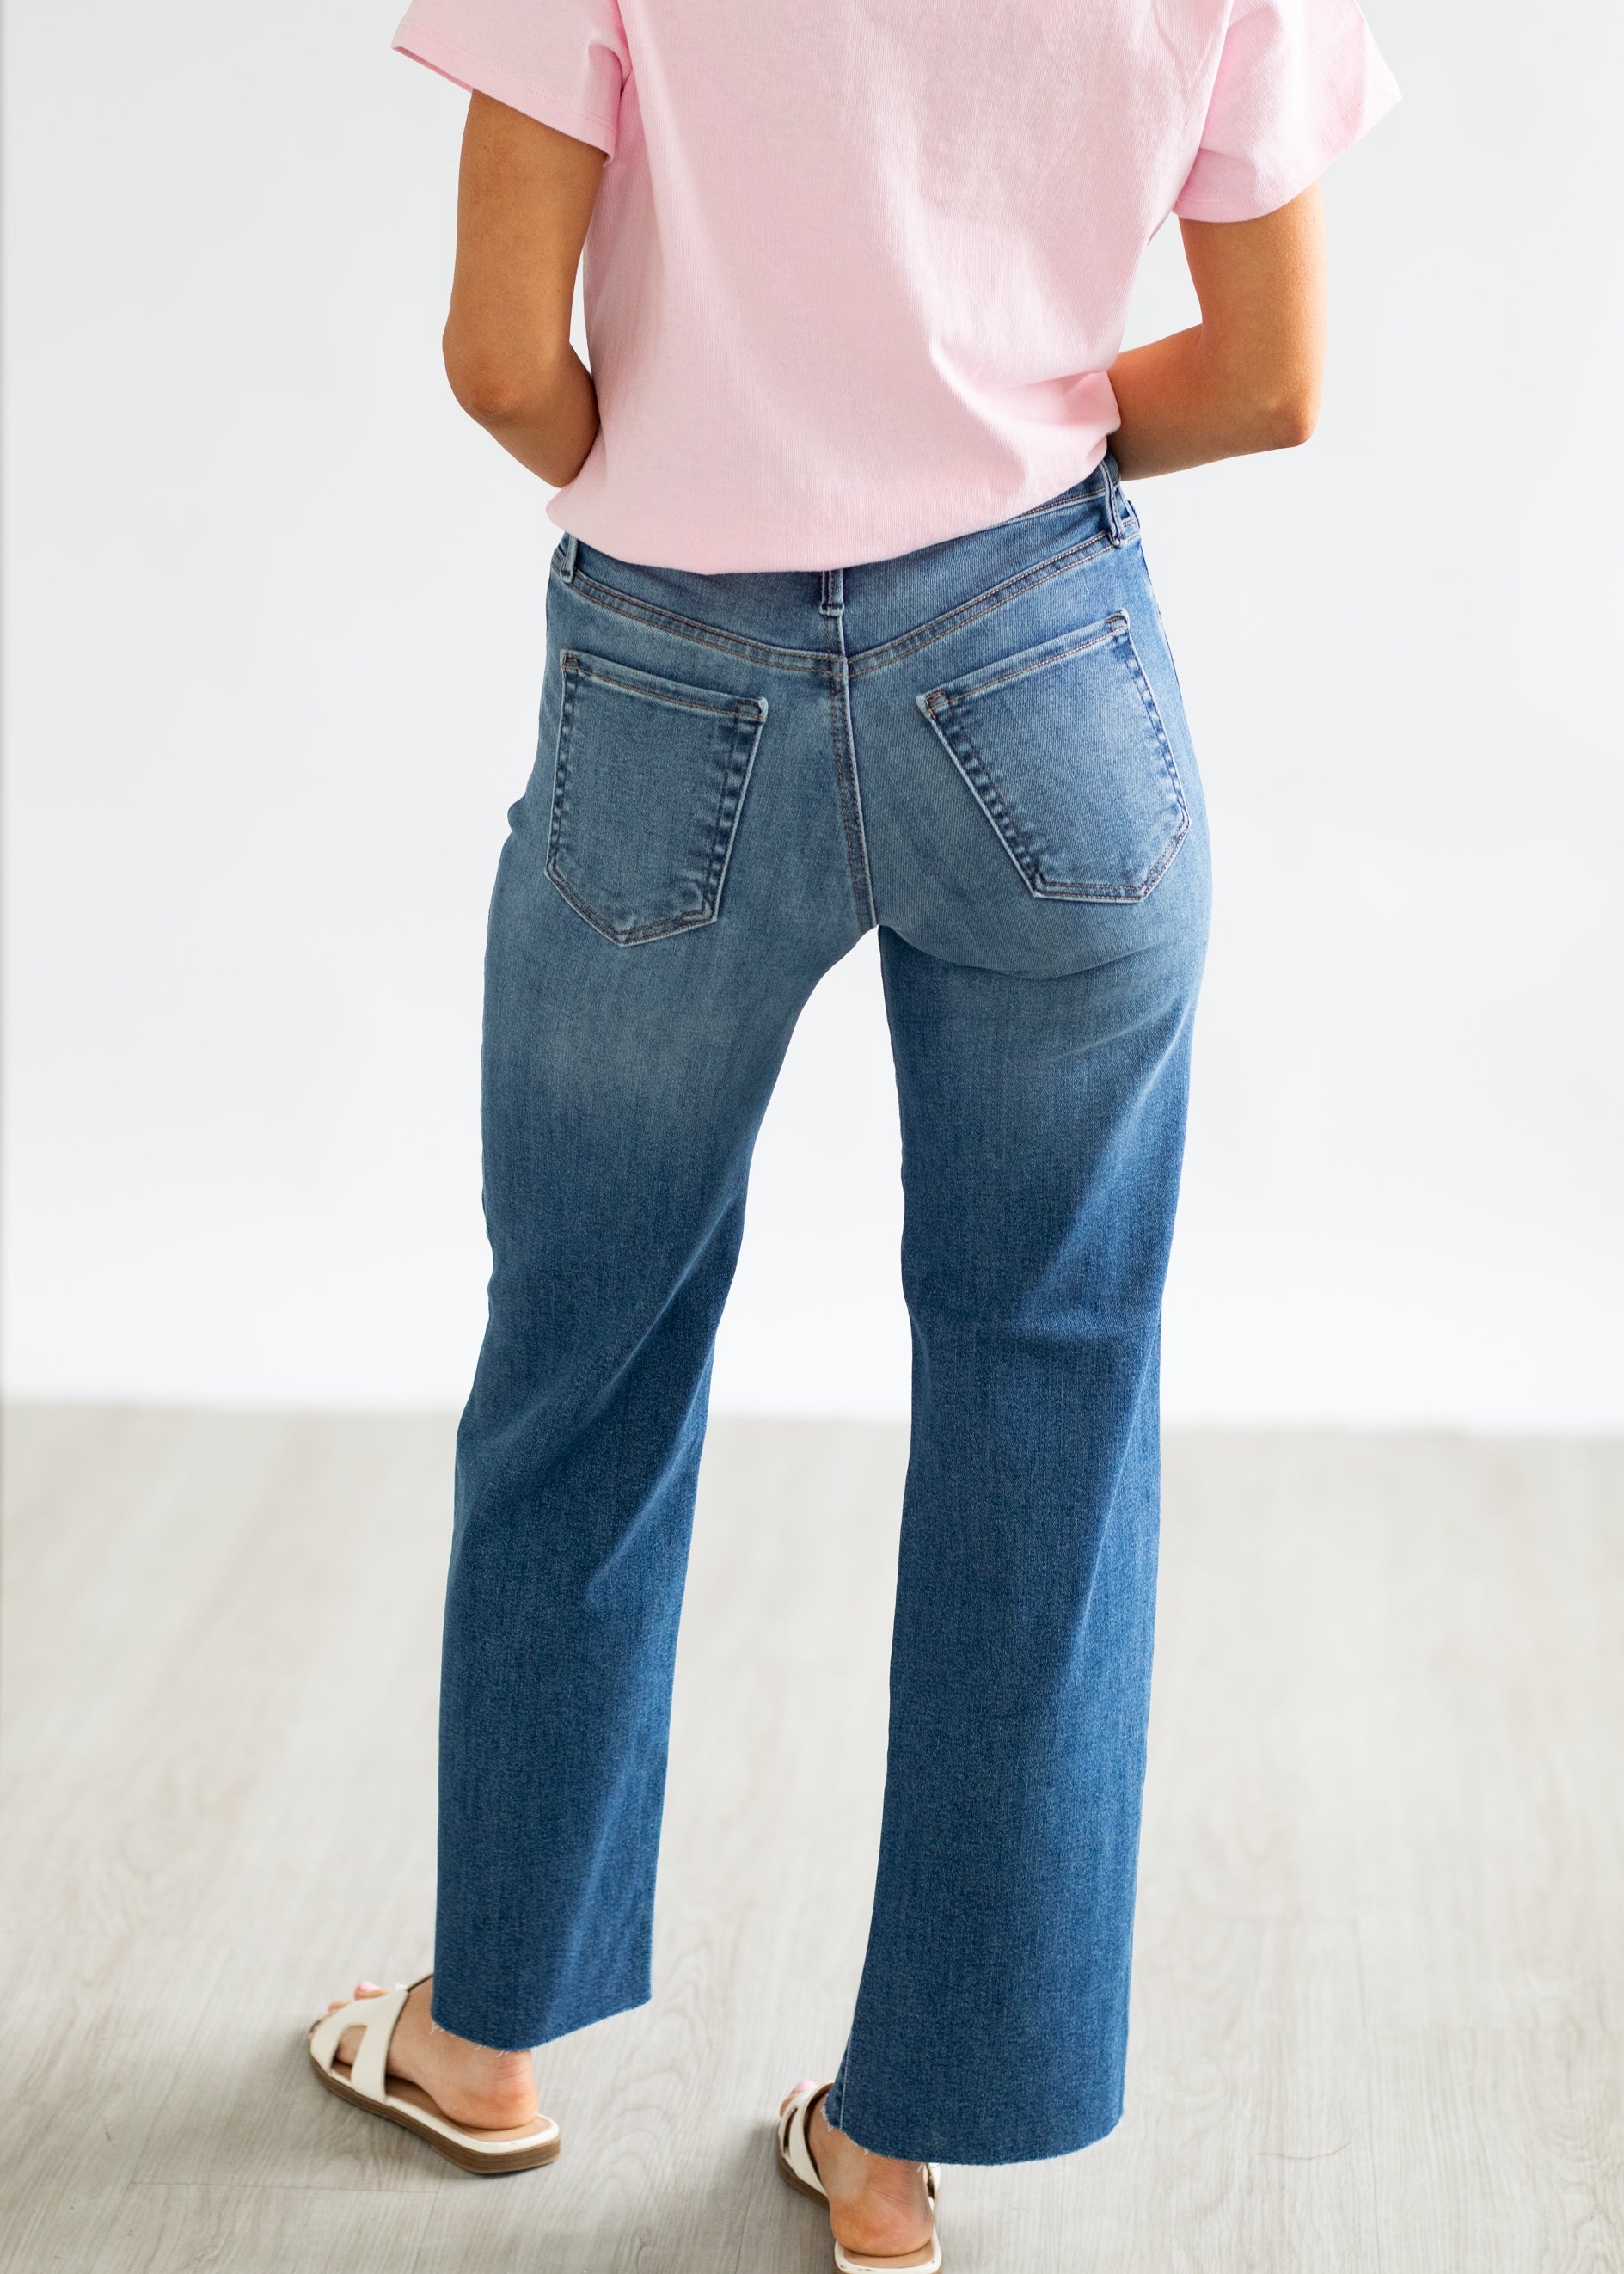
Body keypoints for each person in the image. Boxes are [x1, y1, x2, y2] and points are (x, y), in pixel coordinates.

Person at [307, 2, 1397, 2265]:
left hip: (667, 676)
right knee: (1045, 1375)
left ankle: (484, 2037)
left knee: (586, 1348)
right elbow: (1273, 377)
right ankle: (902, 2154)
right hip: (1043, 668)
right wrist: (985, 431)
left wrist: (694, 481)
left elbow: (502, 357)